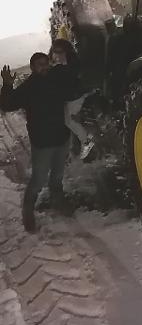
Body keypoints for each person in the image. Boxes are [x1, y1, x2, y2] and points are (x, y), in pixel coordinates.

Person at [0, 53, 73, 232]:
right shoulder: (29, 87)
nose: (44, 67)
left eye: (46, 63)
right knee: (38, 180)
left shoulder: (56, 78)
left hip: (61, 137)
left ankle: (58, 200)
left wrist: (65, 61)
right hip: (42, 142)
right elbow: (7, 104)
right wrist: (7, 85)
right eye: (40, 65)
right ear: (32, 67)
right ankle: (28, 212)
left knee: (57, 175)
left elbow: (72, 83)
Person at [49, 39, 95, 161]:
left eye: (59, 51)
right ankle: (77, 146)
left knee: (68, 121)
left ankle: (86, 141)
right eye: (55, 51)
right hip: (73, 95)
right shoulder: (67, 62)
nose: (56, 54)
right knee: (67, 120)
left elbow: (70, 79)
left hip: (75, 96)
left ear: (66, 51)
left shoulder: (71, 63)